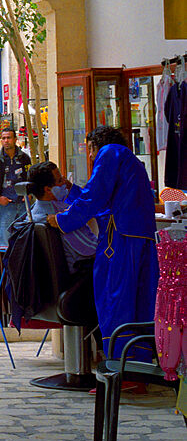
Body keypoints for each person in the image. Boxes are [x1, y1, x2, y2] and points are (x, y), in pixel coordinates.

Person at [46, 126, 158, 358]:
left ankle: (120, 368)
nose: (89, 155)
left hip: (120, 239)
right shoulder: (130, 160)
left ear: (97, 144)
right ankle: (139, 366)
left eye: (89, 149)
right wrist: (72, 191)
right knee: (139, 303)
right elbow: (105, 198)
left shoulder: (110, 152)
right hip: (139, 238)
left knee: (115, 300)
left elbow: (95, 196)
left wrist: (62, 218)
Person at [26, 160, 97, 271]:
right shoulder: (61, 215)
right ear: (48, 189)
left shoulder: (33, 213)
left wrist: (72, 190)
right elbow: (92, 249)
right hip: (81, 272)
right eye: (60, 180)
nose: (65, 182)